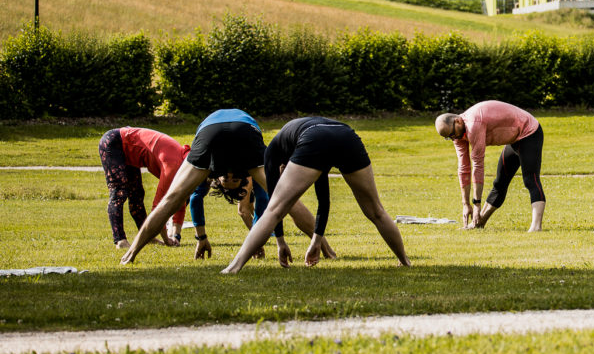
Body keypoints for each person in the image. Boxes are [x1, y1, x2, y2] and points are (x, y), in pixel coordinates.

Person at [120, 109, 328, 266]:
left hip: (211, 132)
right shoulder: (249, 172)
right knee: (287, 198)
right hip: (245, 132)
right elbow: (274, 203)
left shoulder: (207, 175)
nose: (228, 175)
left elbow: (191, 200)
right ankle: (325, 248)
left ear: (215, 179)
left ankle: (131, 253)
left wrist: (202, 238)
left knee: (170, 200)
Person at [221, 117, 409, 273]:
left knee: (274, 210)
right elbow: (323, 198)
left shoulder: (273, 152)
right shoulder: (296, 145)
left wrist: (281, 243)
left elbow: (275, 207)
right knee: (376, 210)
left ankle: (233, 267)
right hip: (347, 136)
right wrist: (315, 241)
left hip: (316, 137)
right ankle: (405, 261)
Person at [435, 101, 546, 232]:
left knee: (530, 180)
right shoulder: (457, 134)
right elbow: (464, 168)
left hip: (529, 133)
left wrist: (476, 204)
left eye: (453, 134)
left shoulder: (473, 125)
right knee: (500, 183)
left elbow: (477, 164)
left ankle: (536, 226)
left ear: (458, 121)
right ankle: (479, 223)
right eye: (449, 138)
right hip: (514, 139)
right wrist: (466, 204)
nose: (454, 139)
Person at [98, 127, 188, 249]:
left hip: (129, 152)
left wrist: (176, 235)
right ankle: (120, 240)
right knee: (119, 192)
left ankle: (148, 237)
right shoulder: (173, 166)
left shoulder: (184, 165)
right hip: (115, 142)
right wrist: (167, 239)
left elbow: (181, 199)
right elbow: (159, 207)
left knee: (137, 195)